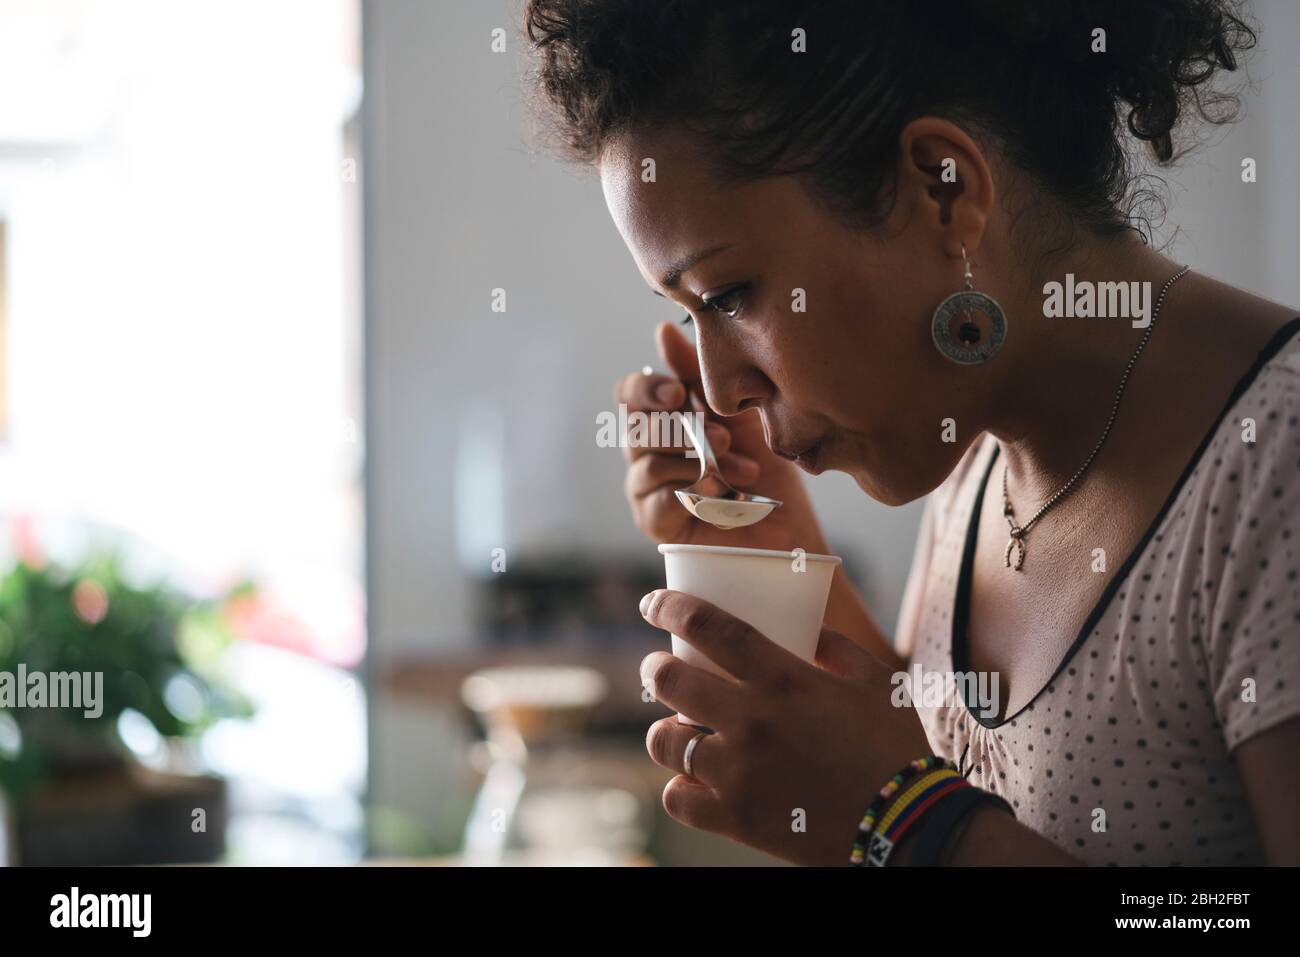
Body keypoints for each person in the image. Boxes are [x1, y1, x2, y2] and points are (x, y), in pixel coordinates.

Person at [524, 0, 1300, 865]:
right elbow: (927, 755)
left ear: (944, 189)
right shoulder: (975, 461)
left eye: (731, 294)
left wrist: (911, 827)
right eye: (688, 315)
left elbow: (921, 805)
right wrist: (775, 543)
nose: (720, 389)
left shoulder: (1276, 462)